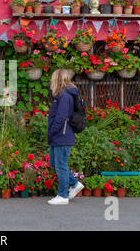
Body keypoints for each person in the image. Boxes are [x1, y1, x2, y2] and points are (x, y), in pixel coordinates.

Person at [47, 69, 84, 205]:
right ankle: (74, 183)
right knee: (54, 163)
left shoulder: (64, 96)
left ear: (57, 79)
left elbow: (61, 117)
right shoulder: (60, 95)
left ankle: (63, 196)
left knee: (60, 166)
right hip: (59, 135)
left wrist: (51, 131)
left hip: (62, 135)